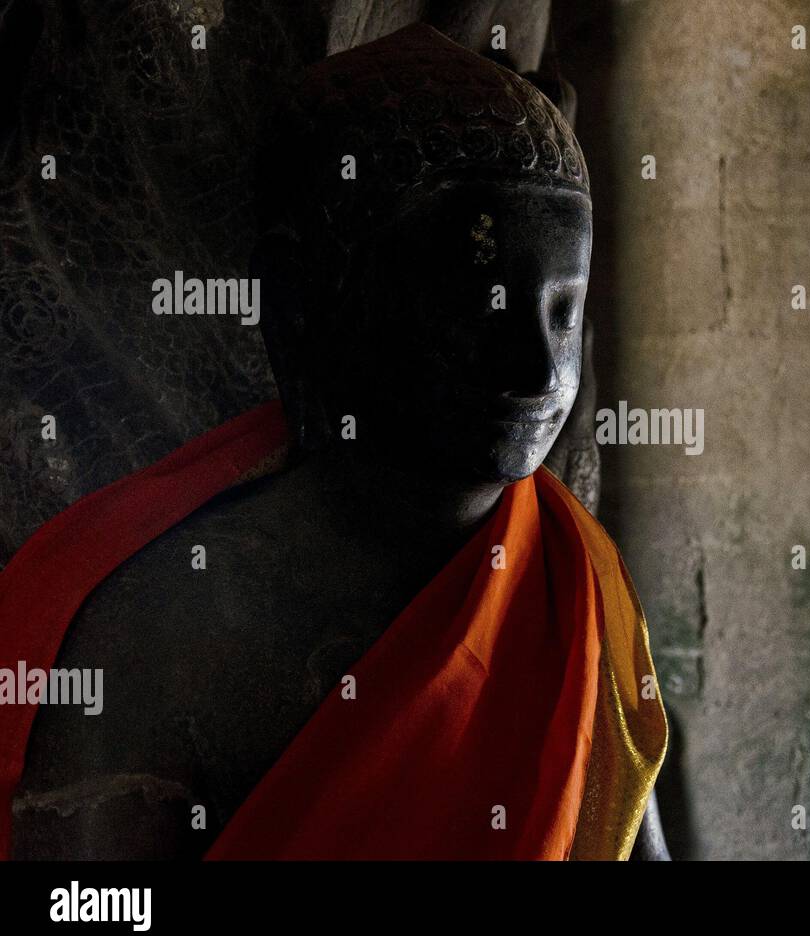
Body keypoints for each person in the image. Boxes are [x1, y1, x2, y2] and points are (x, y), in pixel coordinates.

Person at [0, 23, 667, 860]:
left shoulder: (574, 587)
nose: (538, 369)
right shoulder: (169, 626)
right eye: (481, 306)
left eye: (563, 311)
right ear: (310, 301)